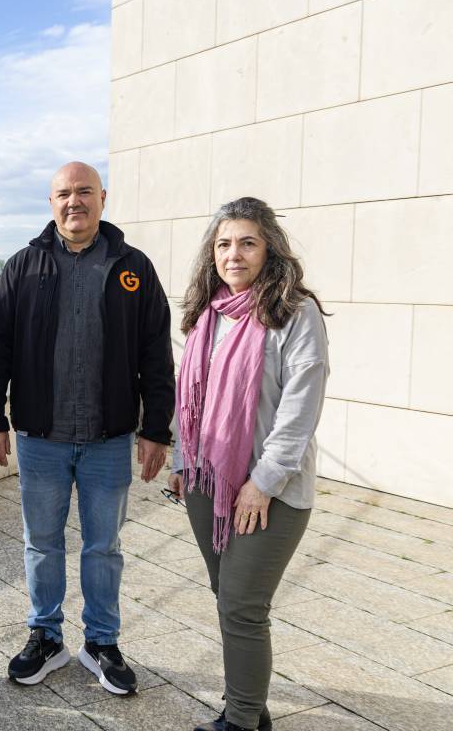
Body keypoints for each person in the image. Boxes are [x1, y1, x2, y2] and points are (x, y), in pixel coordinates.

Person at [0, 161, 175, 694]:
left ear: (103, 198)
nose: (74, 202)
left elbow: (157, 353)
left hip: (109, 437)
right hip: (41, 436)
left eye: (84, 192)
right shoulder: (23, 266)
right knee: (41, 543)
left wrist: (157, 427)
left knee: (103, 546)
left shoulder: (133, 268)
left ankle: (102, 643)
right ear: (51, 203)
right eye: (63, 194)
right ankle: (45, 636)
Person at [167, 197, 329, 731]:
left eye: (247, 242)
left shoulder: (295, 312)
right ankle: (251, 711)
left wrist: (262, 484)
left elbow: (299, 411)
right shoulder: (208, 312)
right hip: (206, 483)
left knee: (242, 606)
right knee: (230, 601)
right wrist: (181, 459)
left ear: (269, 249)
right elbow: (190, 399)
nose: (233, 254)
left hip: (269, 492)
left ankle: (239, 721)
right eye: (223, 243)